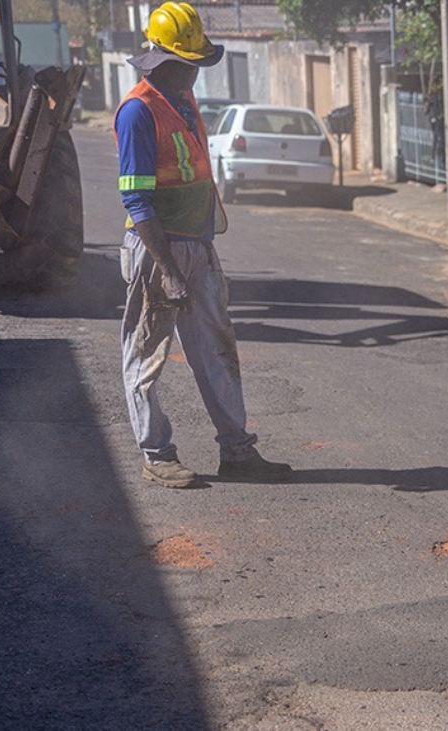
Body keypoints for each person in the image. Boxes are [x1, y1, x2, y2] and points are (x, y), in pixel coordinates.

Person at [114, 1, 290, 488]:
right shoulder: (137, 112)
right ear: (160, 58)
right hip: (157, 252)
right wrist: (167, 267)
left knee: (217, 349)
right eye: (184, 65)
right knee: (146, 354)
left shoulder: (185, 102)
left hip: (198, 246)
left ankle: (237, 450)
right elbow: (136, 198)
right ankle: (157, 453)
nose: (192, 74)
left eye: (195, 65)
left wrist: (199, 252)